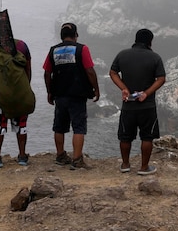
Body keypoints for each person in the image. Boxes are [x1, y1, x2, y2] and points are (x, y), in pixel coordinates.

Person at [43, 22, 101, 170]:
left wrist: (49, 91)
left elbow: (47, 73)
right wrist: (96, 88)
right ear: (75, 35)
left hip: (59, 94)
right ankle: (77, 159)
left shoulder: (53, 51)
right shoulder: (82, 49)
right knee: (79, 127)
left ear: (61, 36)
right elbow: (89, 71)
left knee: (59, 127)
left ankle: (60, 155)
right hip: (77, 94)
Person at [108, 28, 166, 176]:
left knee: (125, 136)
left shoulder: (122, 54)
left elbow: (113, 72)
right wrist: (146, 93)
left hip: (128, 104)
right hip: (147, 105)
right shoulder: (155, 57)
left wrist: (124, 88)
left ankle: (125, 164)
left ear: (135, 39)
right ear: (150, 41)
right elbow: (161, 79)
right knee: (147, 136)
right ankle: (144, 167)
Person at [0, 22, 32, 168]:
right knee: (21, 125)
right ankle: (22, 156)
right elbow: (28, 68)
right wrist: (26, 87)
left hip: (0, 94)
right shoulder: (22, 46)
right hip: (20, 93)